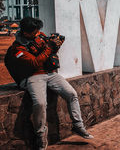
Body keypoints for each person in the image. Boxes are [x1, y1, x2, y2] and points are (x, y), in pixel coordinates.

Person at [5, 17, 93, 150]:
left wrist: (55, 45)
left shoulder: (39, 35)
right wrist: (49, 48)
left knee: (72, 94)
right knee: (40, 103)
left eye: (38, 30)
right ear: (25, 32)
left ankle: (78, 125)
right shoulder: (17, 48)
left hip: (50, 73)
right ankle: (41, 135)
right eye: (35, 32)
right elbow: (34, 63)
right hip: (33, 76)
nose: (38, 33)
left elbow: (50, 53)